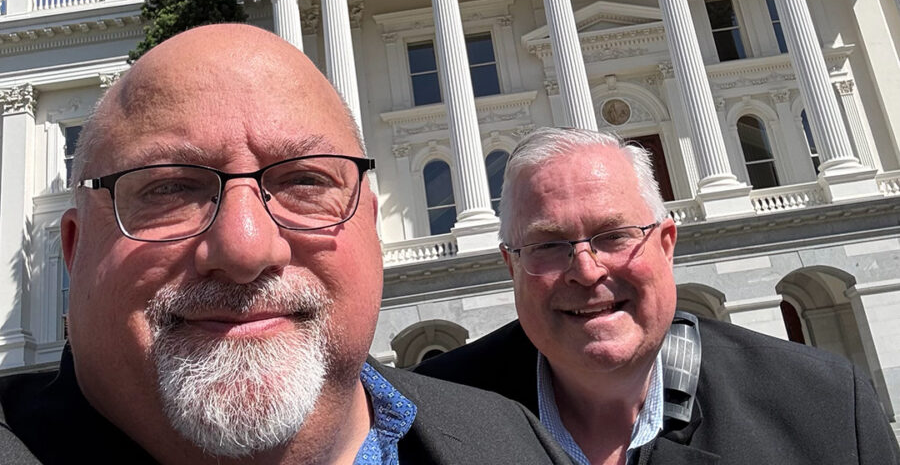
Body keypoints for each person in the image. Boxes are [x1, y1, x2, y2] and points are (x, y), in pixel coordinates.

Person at [0, 25, 574, 465]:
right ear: (74, 250)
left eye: (305, 181)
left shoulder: (511, 437)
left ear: (370, 227)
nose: (246, 248)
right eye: (170, 188)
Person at [416, 127, 900, 465]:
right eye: (547, 245)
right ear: (511, 265)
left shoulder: (822, 405)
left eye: (615, 235)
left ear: (666, 244)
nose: (586, 270)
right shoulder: (424, 419)